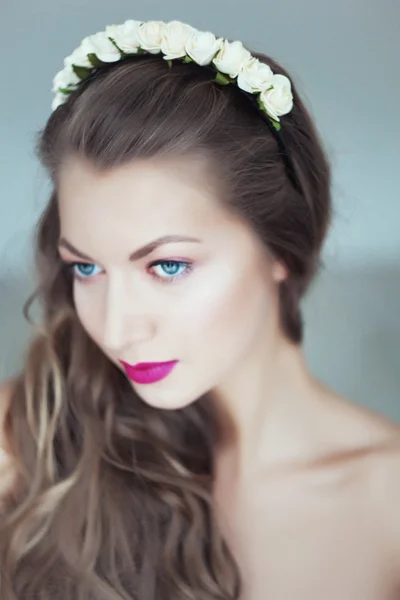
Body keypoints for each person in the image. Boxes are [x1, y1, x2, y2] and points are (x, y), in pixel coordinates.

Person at [0, 17, 399, 600]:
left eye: (167, 266)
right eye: (86, 267)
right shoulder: (22, 440)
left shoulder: (388, 504)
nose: (116, 328)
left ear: (278, 248)